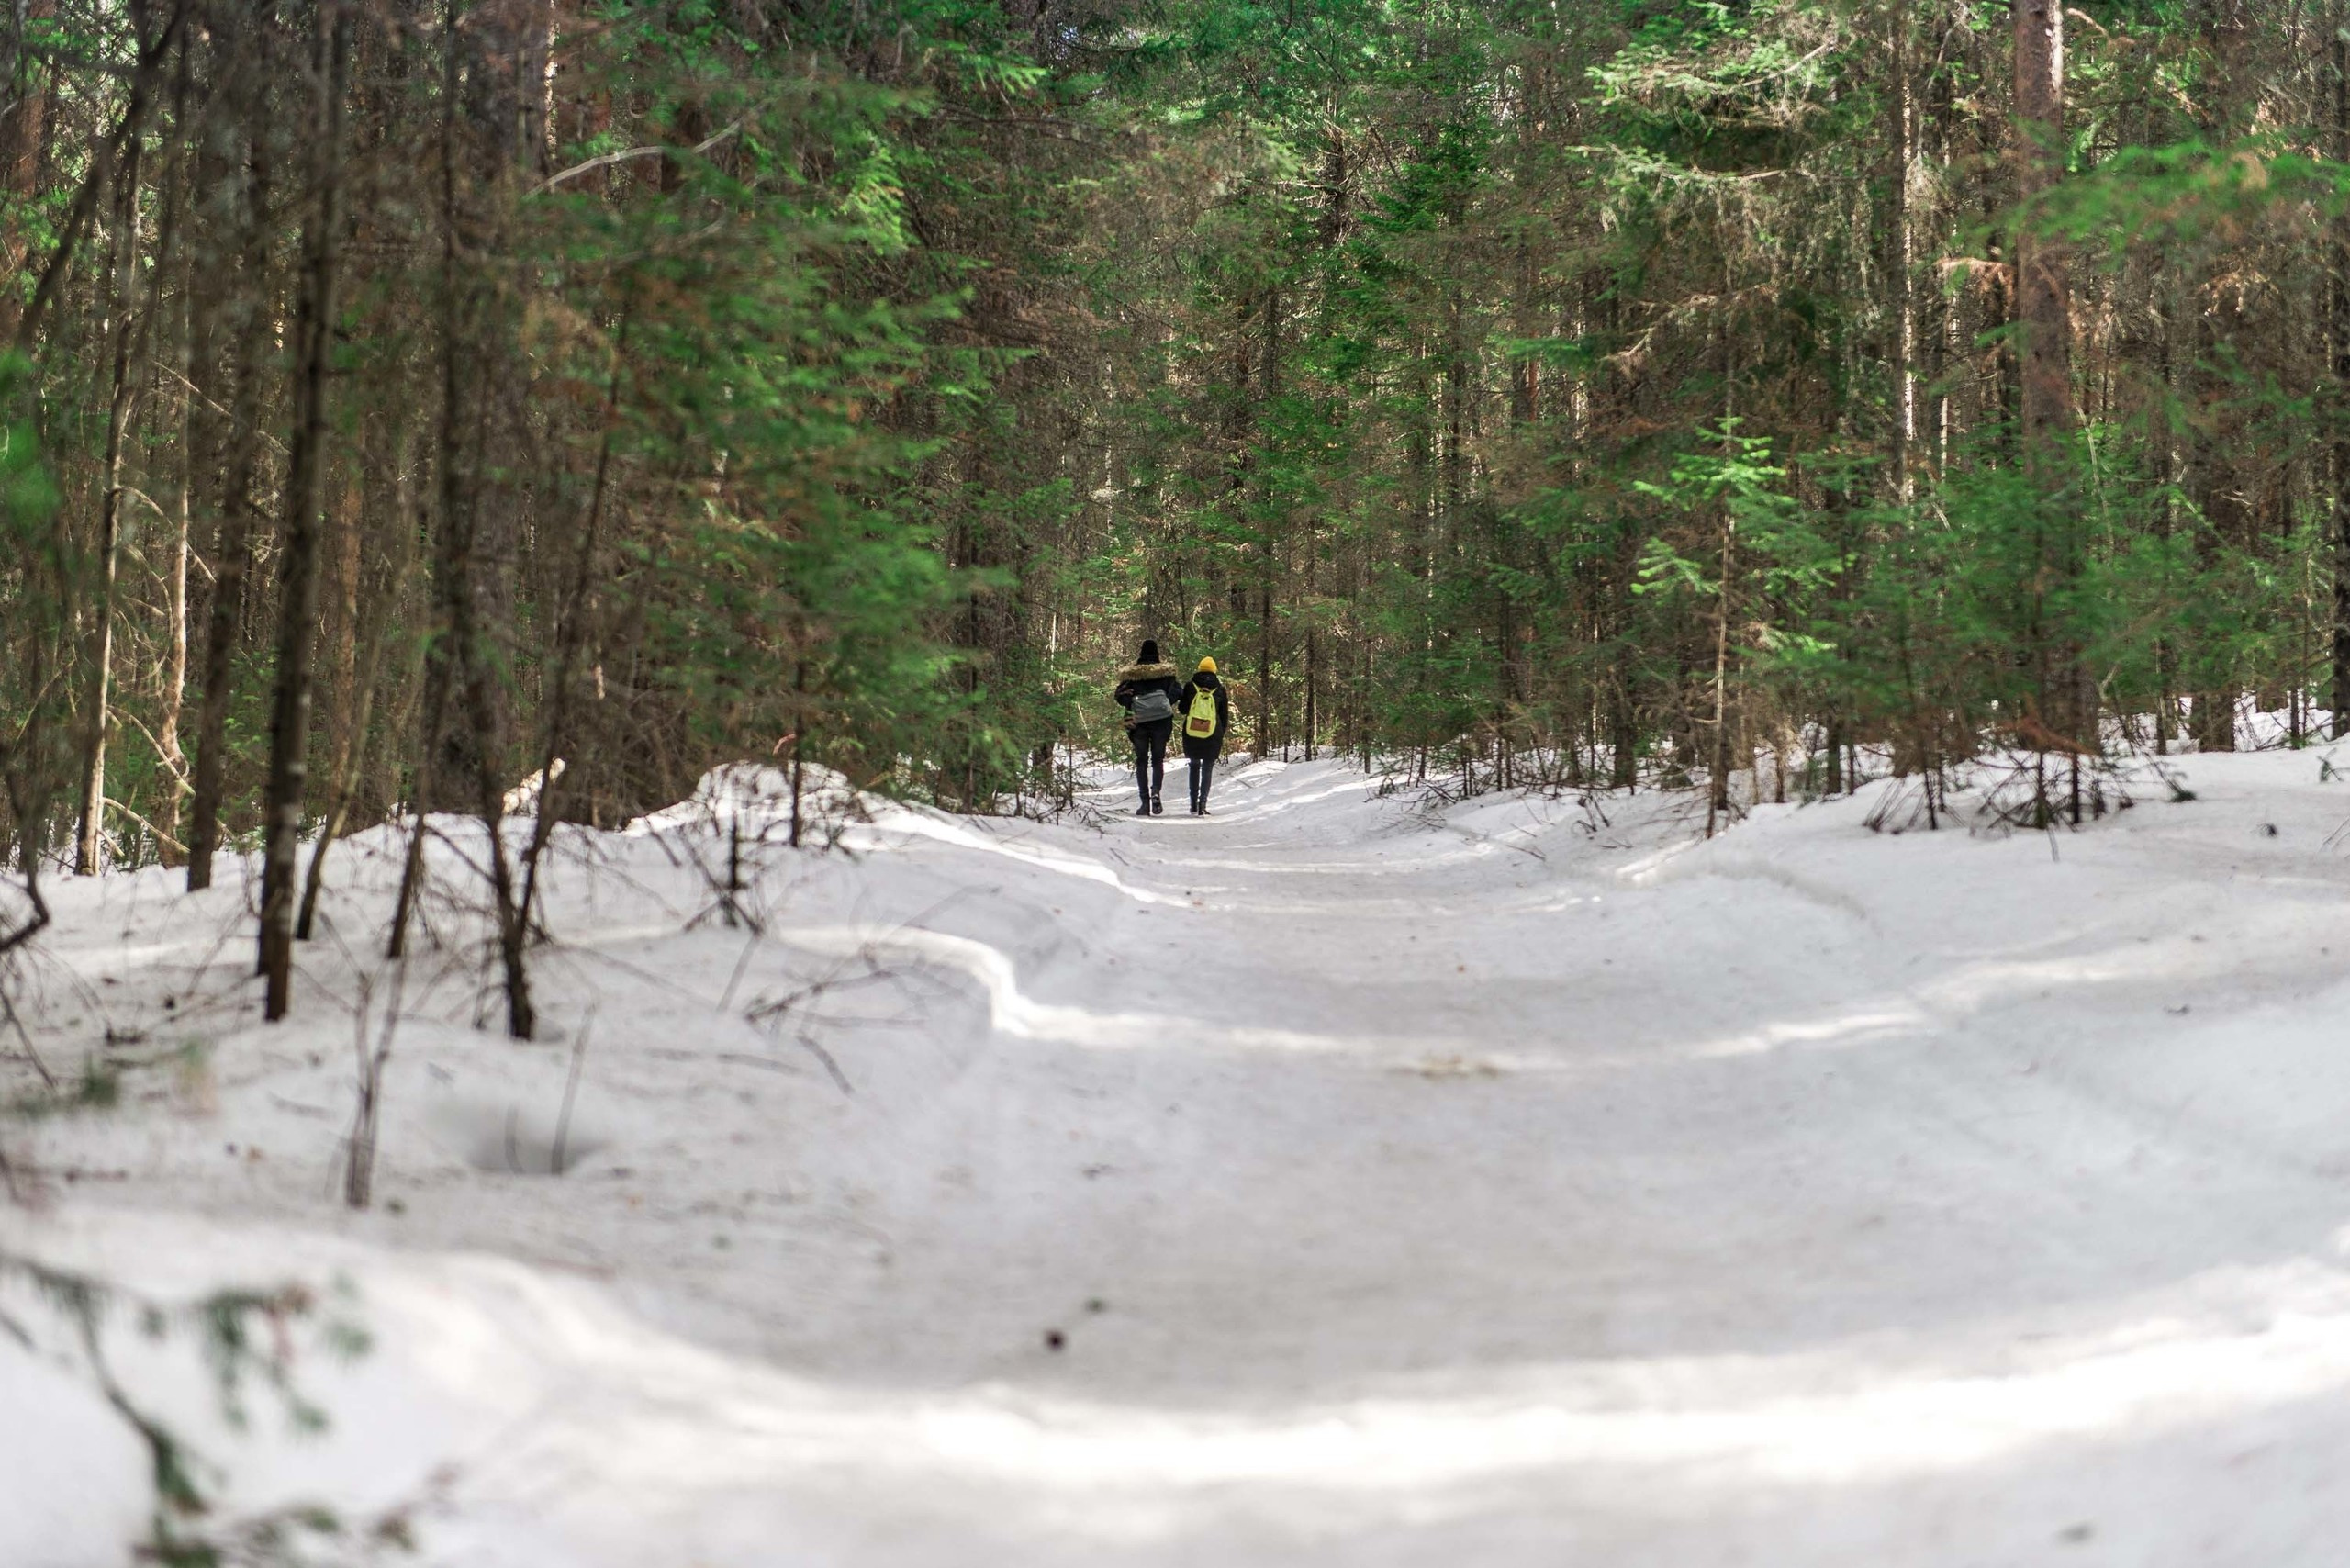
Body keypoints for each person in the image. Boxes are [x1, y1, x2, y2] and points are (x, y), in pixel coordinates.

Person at [1113, 639, 1181, 816]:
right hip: (1161, 722)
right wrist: (1166, 702)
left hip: (1138, 724)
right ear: (1157, 652)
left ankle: (1144, 803)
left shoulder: (1131, 676)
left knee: (1141, 762)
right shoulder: (1167, 674)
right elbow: (1178, 691)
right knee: (1158, 761)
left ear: (1141, 653)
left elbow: (1119, 697)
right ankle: (1156, 791)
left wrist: (1132, 703)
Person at [1179, 656, 1230, 815]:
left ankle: (1193, 803)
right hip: (1213, 732)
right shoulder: (1220, 689)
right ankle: (1203, 804)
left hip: (1192, 731)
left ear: (1200, 668)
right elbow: (1224, 715)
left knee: (1194, 766)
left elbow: (1182, 709)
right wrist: (1221, 732)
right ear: (1214, 670)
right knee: (1207, 767)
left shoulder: (1189, 686)